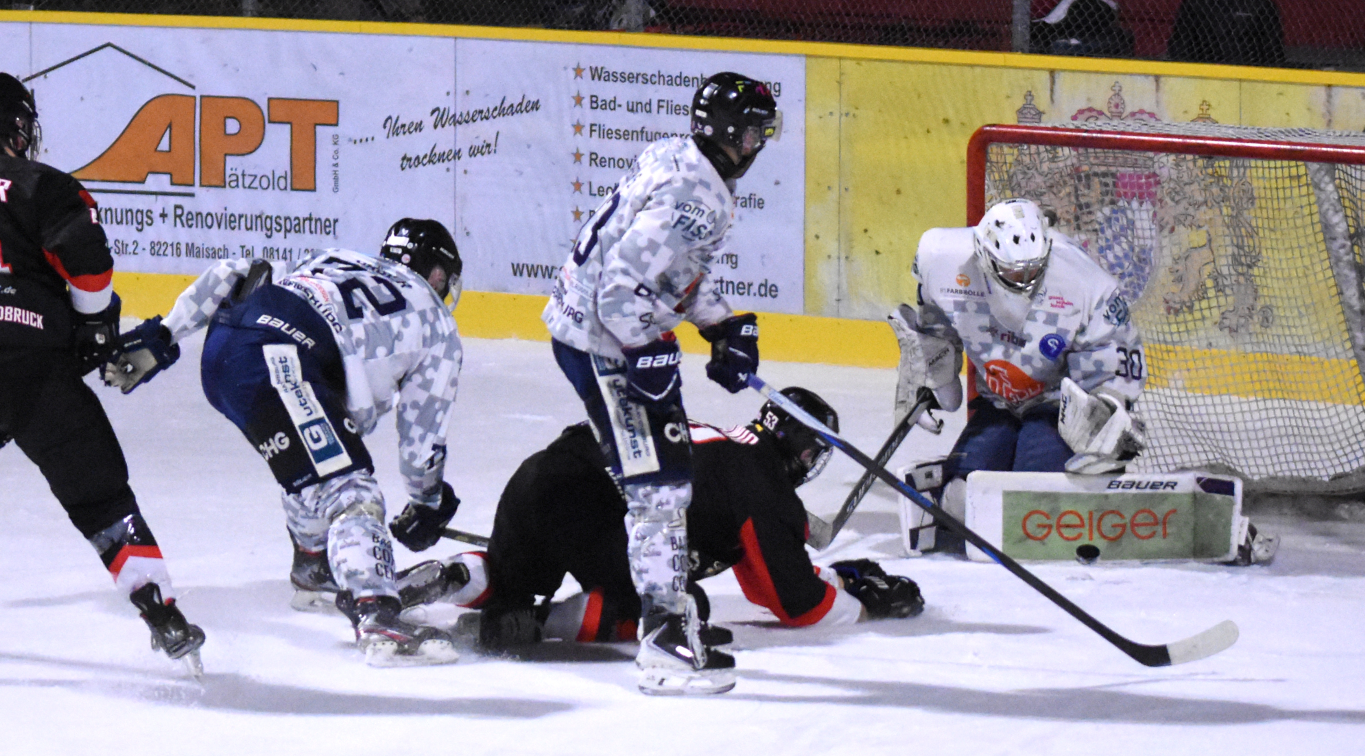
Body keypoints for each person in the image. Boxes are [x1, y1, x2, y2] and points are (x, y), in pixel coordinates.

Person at [0, 73, 203, 671]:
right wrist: (94, 333)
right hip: (30, 369)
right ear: (20, 128)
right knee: (100, 497)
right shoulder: (42, 184)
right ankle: (161, 612)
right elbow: (91, 270)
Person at [121, 219, 465, 665]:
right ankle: (377, 614)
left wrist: (166, 334)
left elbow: (238, 271)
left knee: (315, 459)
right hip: (279, 361)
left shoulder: (336, 259)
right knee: (350, 492)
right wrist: (428, 502)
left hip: (224, 349)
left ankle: (314, 567)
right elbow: (420, 443)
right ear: (437, 274)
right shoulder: (436, 322)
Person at [400, 387, 922, 674]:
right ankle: (538, 623)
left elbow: (759, 569)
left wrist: (830, 573)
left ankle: (456, 578)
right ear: (794, 446)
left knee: (516, 570)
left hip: (544, 472)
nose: (809, 464)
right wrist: (862, 601)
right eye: (811, 453)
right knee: (680, 605)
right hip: (592, 503)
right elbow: (793, 602)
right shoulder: (765, 487)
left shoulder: (722, 446)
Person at [541, 71, 779, 695]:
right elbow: (622, 292)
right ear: (727, 132)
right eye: (753, 132)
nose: (758, 144)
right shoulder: (697, 196)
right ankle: (664, 641)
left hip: (589, 331)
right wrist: (650, 348)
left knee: (656, 483)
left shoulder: (677, 156)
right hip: (607, 341)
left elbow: (667, 273)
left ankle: (665, 620)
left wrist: (721, 323)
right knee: (663, 488)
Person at [889, 197, 1147, 551]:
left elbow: (1112, 353)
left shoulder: (1085, 281)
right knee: (961, 503)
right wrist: (930, 368)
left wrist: (1105, 407)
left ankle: (1085, 484)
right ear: (983, 255)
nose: (1024, 279)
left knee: (1034, 501)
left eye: (1033, 269)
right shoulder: (942, 258)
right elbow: (935, 319)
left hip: (1057, 408)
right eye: (1014, 271)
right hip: (997, 402)